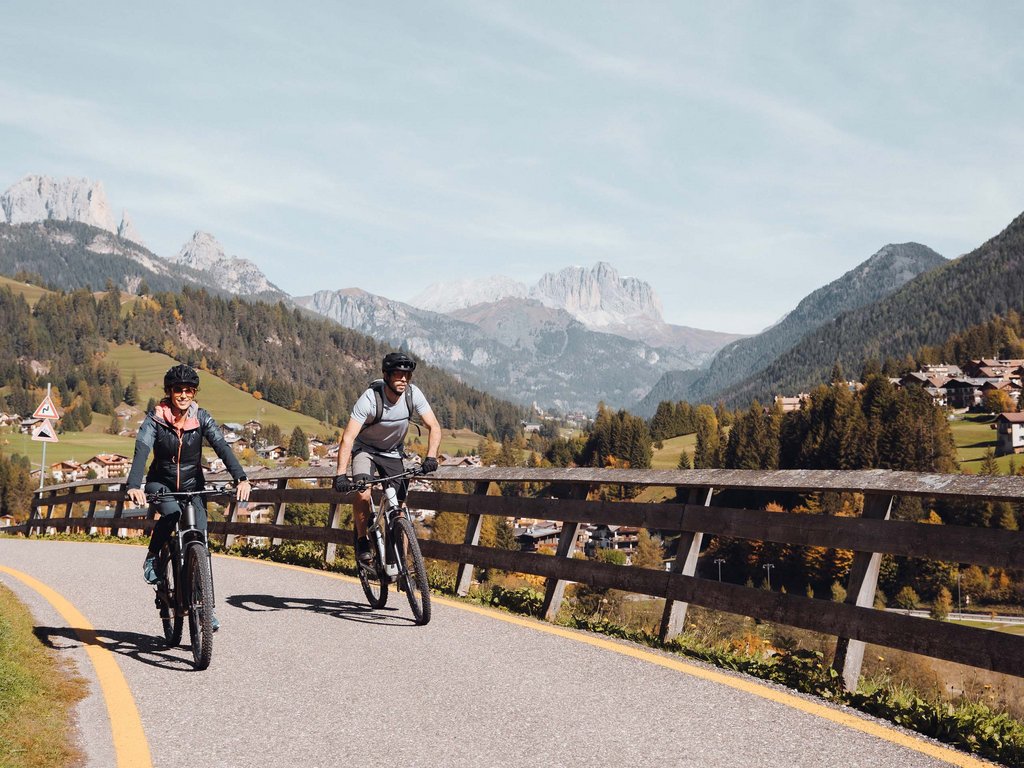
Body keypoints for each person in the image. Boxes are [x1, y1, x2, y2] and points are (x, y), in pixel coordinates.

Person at [126, 364, 250, 628]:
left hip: (193, 485)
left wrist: (241, 477)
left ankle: (206, 607)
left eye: (189, 390)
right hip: (162, 483)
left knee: (201, 545)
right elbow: (142, 448)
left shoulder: (201, 418)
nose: (183, 394)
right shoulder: (156, 419)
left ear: (194, 393)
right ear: (169, 392)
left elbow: (221, 446)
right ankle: (152, 557)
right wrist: (134, 484)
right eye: (178, 390)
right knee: (171, 513)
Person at [334, 352, 441, 562]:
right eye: (398, 374)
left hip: (393, 453)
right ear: (386, 375)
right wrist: (340, 475)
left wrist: (431, 457)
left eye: (407, 375)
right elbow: (348, 438)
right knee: (364, 492)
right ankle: (363, 538)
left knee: (399, 507)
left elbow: (434, 426)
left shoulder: (413, 394)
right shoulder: (369, 399)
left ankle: (399, 561)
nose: (403, 379)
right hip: (366, 451)